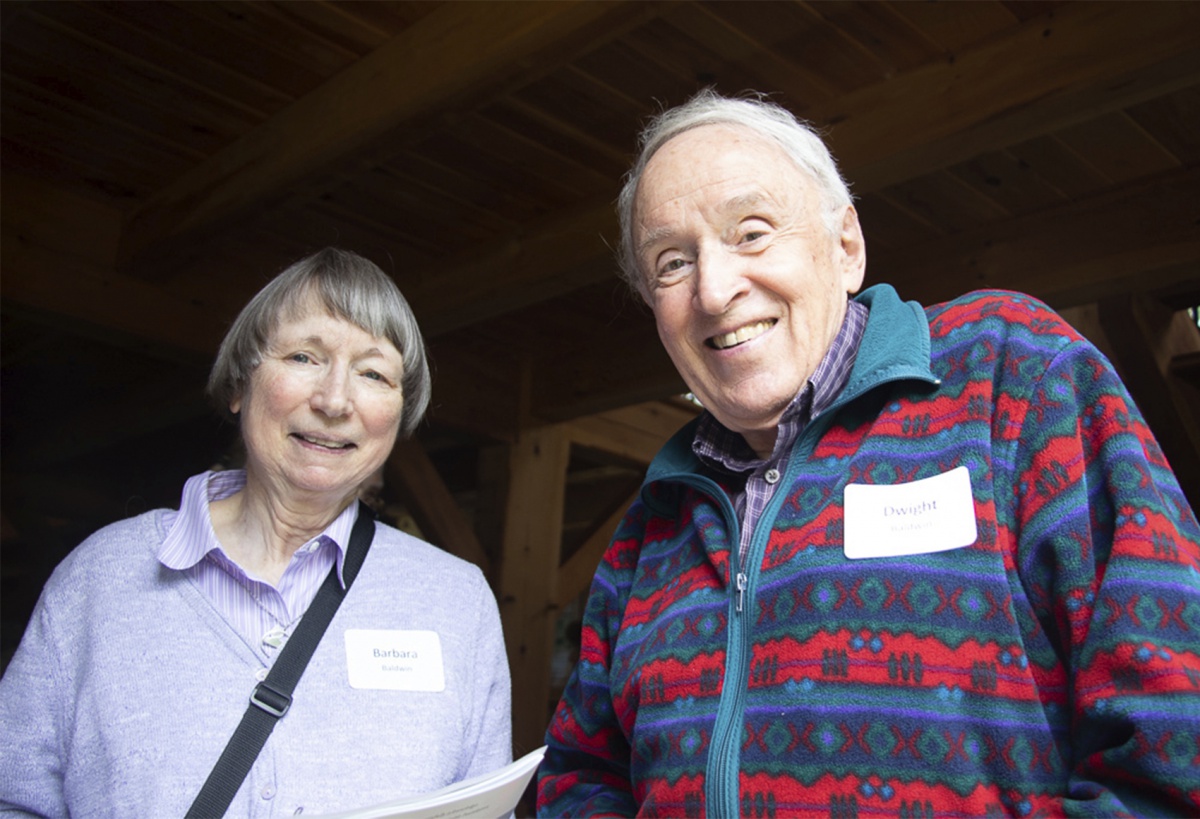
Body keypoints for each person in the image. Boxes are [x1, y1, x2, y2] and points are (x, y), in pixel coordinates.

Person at [537, 90, 1200, 817]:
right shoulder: (652, 518)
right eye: (671, 263)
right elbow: (578, 772)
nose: (715, 289)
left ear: (845, 246)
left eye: (751, 232)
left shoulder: (1011, 374)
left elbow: (1177, 732)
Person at [0, 248, 512, 816]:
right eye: (303, 356)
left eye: (373, 373)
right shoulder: (101, 577)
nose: (335, 399)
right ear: (241, 383)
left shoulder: (457, 602)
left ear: (398, 411)